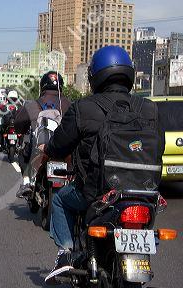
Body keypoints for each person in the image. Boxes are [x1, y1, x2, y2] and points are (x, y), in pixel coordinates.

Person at [42, 46, 165, 285]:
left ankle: (65, 254)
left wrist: (48, 150)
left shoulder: (83, 107)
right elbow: (158, 148)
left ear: (95, 76)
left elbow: (58, 147)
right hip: (144, 195)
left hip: (97, 194)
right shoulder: (149, 108)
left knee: (59, 199)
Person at [14, 71, 71, 198]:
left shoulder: (32, 104)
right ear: (61, 86)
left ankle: (27, 183)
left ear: (42, 86)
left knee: (23, 155)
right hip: (64, 150)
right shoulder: (69, 104)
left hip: (40, 149)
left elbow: (18, 125)